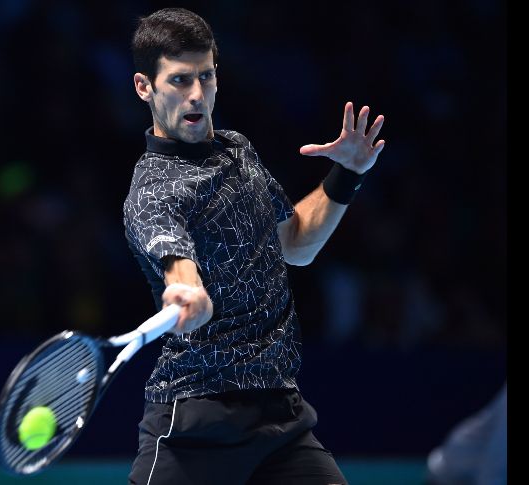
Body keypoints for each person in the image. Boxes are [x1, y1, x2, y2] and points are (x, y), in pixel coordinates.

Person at [123, 8, 385, 485]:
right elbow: (180, 270)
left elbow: (295, 244)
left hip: (281, 418)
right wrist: (187, 295)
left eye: (206, 76)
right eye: (180, 80)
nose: (197, 94)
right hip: (198, 420)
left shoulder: (238, 150)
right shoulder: (153, 192)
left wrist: (348, 173)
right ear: (145, 87)